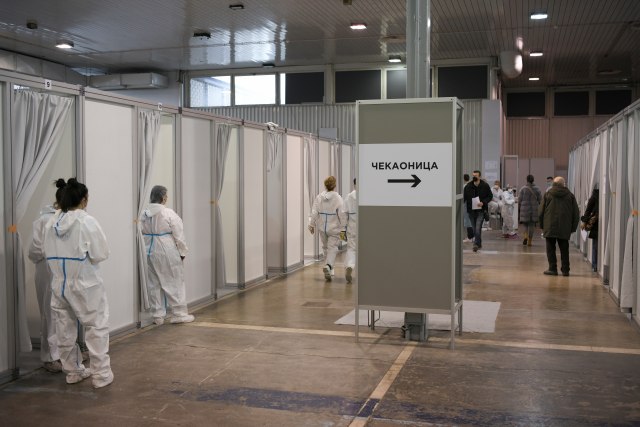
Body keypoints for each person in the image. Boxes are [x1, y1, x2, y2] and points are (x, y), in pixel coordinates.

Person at [43, 178, 114, 388]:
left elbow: (45, 251)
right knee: (96, 327)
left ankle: (73, 372)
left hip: (59, 284)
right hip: (85, 284)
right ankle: (101, 375)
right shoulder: (86, 221)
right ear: (83, 200)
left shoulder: (50, 223)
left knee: (64, 329)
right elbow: (101, 253)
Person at [141, 185, 194, 325]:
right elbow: (179, 235)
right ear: (163, 197)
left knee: (154, 284)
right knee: (174, 281)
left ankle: (157, 315)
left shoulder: (144, 214)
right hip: (166, 250)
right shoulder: (168, 213)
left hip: (149, 250)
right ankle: (179, 314)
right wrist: (182, 252)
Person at [28, 179, 66, 373]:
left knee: (64, 312)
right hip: (48, 268)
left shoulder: (69, 218)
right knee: (50, 312)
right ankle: (49, 356)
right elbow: (34, 250)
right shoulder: (44, 220)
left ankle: (64, 353)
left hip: (63, 268)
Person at [539, 177, 580, 276]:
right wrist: (573, 228)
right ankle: (565, 270)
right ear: (563, 184)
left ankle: (552, 269)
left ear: (553, 183)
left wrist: (542, 226)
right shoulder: (570, 196)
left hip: (550, 225)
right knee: (564, 249)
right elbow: (576, 213)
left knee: (550, 248)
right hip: (564, 226)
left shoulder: (548, 194)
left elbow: (541, 211)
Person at [309, 176, 344, 280]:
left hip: (322, 227)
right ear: (334, 185)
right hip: (334, 228)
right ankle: (328, 266)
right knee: (332, 248)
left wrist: (311, 224)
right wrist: (344, 228)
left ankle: (329, 268)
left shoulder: (319, 197)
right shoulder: (338, 198)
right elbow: (342, 214)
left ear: (325, 185)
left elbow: (314, 212)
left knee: (325, 247)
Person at [463, 170, 492, 252]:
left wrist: (483, 202)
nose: (474, 177)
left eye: (476, 175)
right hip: (471, 211)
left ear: (479, 176)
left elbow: (490, 196)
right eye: (473, 175)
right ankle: (479, 243)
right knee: (474, 228)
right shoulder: (468, 186)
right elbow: (464, 198)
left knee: (478, 228)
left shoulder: (485, 185)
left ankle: (475, 244)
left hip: (481, 211)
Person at [519, 175, 542, 246]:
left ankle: (525, 236)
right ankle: (530, 241)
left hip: (524, 209)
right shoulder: (537, 189)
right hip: (533, 209)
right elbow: (540, 199)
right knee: (531, 225)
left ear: (526, 180)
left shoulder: (523, 189)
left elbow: (519, 200)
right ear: (533, 180)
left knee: (525, 224)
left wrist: (520, 207)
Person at [341, 178, 357, 284]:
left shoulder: (349, 197)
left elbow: (344, 214)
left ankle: (350, 265)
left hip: (352, 226)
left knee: (351, 248)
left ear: (354, 184)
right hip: (364, 225)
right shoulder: (366, 196)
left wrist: (343, 229)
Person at [581, 187, 599, 272]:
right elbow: (588, 210)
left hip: (596, 223)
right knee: (596, 244)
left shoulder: (595, 195)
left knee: (596, 244)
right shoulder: (595, 195)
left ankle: (595, 265)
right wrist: (584, 221)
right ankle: (595, 265)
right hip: (596, 223)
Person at [462, 174, 474, 243]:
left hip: (467, 204)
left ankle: (470, 237)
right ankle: (471, 237)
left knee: (468, 221)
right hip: (471, 205)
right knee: (470, 221)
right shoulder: (472, 185)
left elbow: (464, 197)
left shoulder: (465, 186)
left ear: (463, 179)